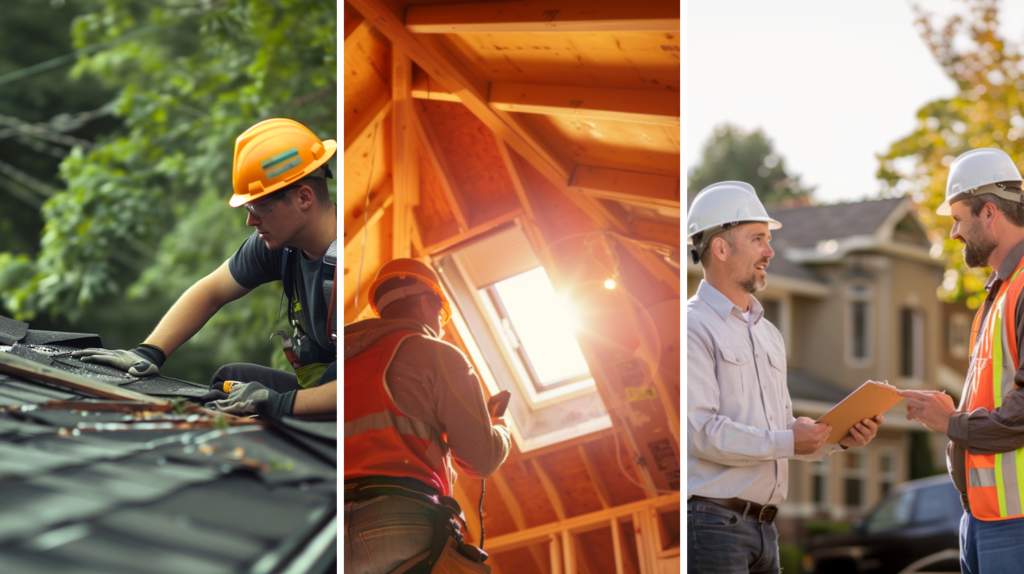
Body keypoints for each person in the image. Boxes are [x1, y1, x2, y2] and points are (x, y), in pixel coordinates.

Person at [71, 118, 338, 419]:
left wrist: (277, 405)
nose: (251, 221)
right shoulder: (281, 244)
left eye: (260, 207)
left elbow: (372, 384)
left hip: (363, 403)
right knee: (230, 379)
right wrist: (149, 352)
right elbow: (211, 291)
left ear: (304, 197)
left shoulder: (362, 264)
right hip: (332, 393)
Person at [687, 181, 881, 574]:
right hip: (712, 527)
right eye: (757, 239)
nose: (770, 251)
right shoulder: (692, 328)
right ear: (721, 248)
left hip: (766, 531)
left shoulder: (769, 335)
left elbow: (780, 433)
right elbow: (700, 431)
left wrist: (833, 438)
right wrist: (788, 438)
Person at [897, 148, 1024, 574]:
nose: (953, 233)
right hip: (982, 519)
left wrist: (951, 424)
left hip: (1015, 526)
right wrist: (949, 411)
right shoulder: (999, 292)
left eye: (957, 218)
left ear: (989, 213)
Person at [344, 258, 511, 573]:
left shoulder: (336, 366)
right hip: (400, 514)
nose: (441, 326)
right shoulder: (437, 355)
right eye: (440, 314)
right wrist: (500, 430)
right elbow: (480, 459)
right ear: (425, 302)